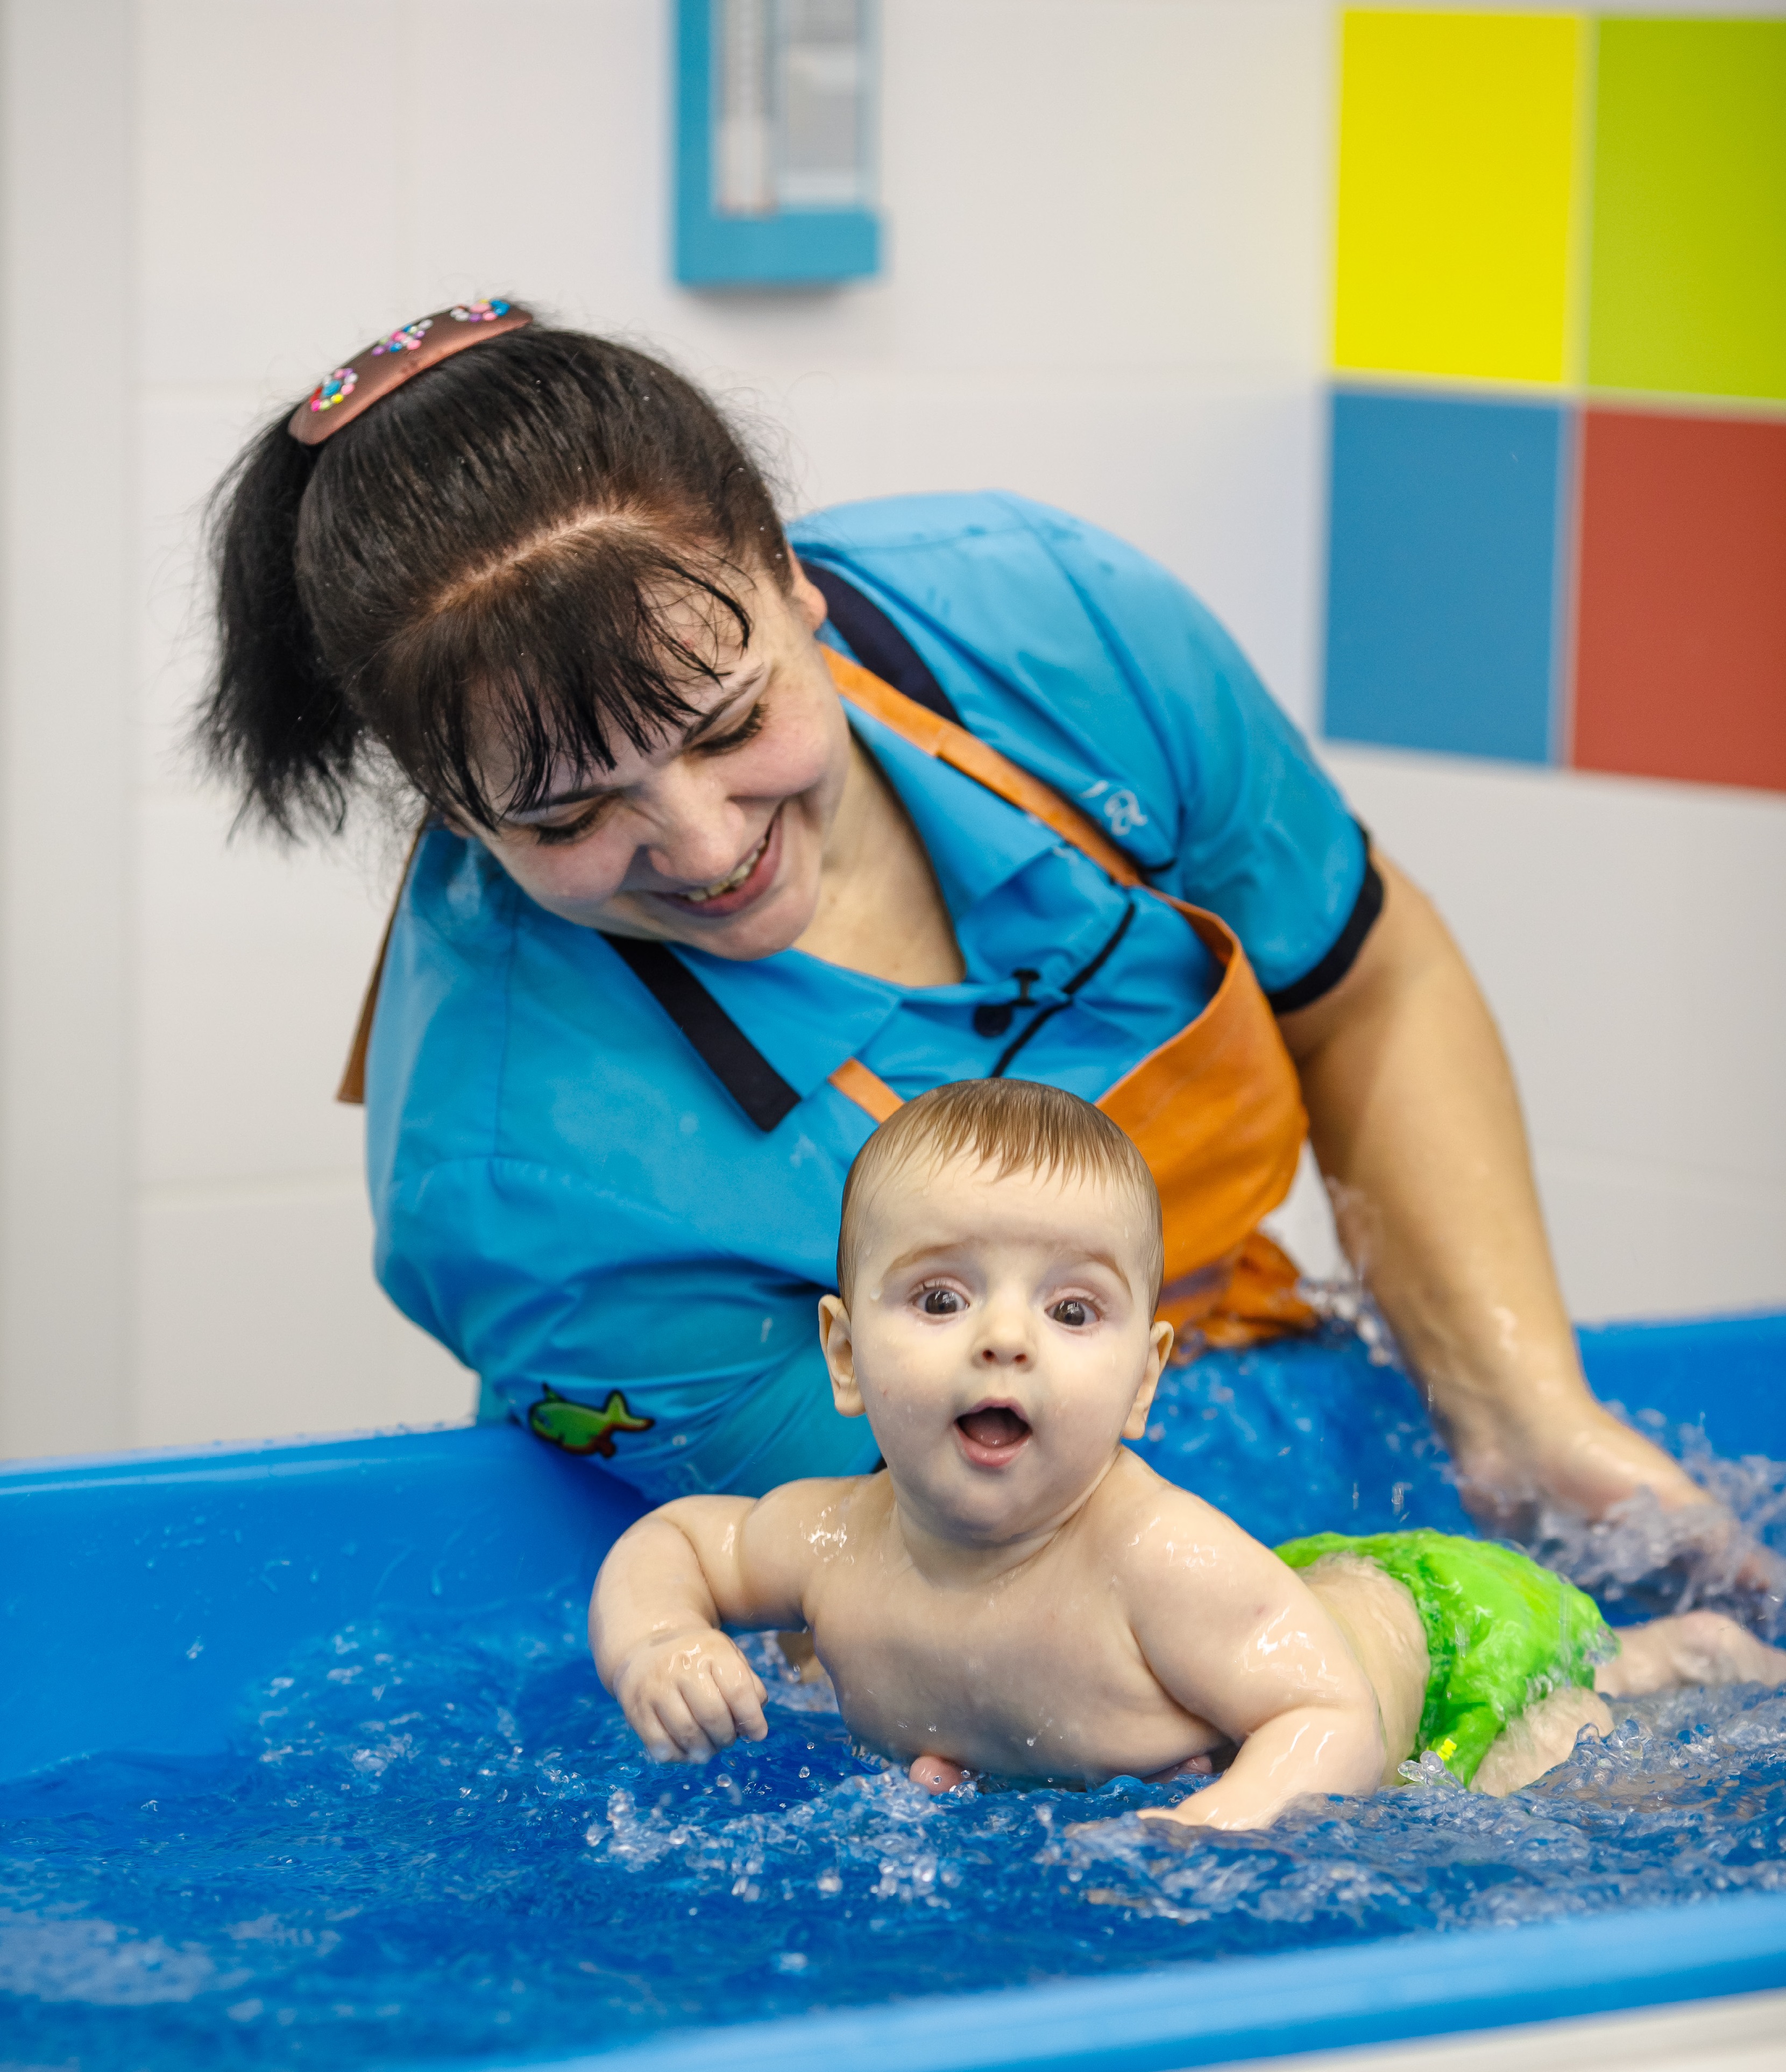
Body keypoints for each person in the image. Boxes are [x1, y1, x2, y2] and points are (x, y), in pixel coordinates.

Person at [200, 298, 1751, 1584]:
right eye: (566, 817)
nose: (705, 842)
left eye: (733, 723)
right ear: (457, 819)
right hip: (911, 1570)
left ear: (794, 585)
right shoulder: (523, 1186)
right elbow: (957, 1595)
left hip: (1215, 1378)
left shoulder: (1046, 628)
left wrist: (1525, 1424)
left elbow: (1368, 988)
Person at [589, 1084, 1785, 1830]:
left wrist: (1218, 1826)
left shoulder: (1155, 1560)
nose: (1005, 1337)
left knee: (1553, 1768)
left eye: (1071, 1312)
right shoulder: (830, 1536)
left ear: (1144, 1379)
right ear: (846, 1354)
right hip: (1291, 1601)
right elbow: (679, 1540)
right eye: (943, 1295)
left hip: (1442, 1647)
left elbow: (1330, 1715)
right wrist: (659, 1639)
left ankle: (1674, 1651)